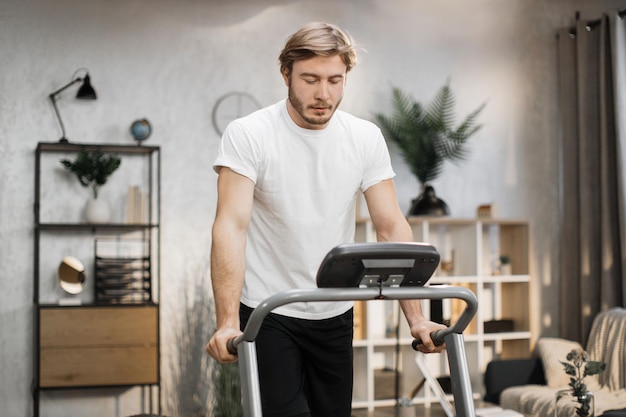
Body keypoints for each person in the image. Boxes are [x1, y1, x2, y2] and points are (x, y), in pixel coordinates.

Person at [206, 21, 446, 417]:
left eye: (335, 80)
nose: (323, 94)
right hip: (269, 310)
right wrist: (227, 322)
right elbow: (231, 226)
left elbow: (390, 227)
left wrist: (417, 319)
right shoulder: (249, 134)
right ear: (286, 74)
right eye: (310, 79)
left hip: (333, 309)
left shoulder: (364, 137)